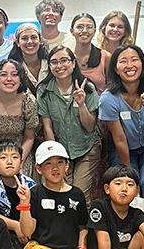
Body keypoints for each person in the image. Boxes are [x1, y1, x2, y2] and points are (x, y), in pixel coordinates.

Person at [20, 141, 98, 249]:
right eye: (48, 163)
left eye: (60, 162)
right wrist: (25, 204)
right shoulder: (34, 193)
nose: (55, 168)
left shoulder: (76, 194)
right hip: (43, 247)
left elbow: (82, 226)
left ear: (67, 166)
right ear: (39, 168)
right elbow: (27, 232)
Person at [99, 45, 144, 230]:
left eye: (134, 59)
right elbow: (119, 139)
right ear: (115, 68)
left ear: (143, 63)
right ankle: (129, 237)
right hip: (122, 147)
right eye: (123, 61)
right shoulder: (108, 98)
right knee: (126, 187)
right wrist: (129, 173)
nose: (130, 65)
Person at [37, 46, 101, 201]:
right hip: (61, 151)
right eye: (54, 62)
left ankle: (83, 226)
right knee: (60, 191)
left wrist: (81, 104)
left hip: (87, 148)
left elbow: (90, 126)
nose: (59, 66)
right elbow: (47, 128)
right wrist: (56, 158)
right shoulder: (44, 90)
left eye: (64, 60)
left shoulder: (88, 88)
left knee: (79, 194)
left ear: (73, 64)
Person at [70, 13, 111, 93]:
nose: (85, 31)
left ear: (94, 31)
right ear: (72, 31)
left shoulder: (106, 56)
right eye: (79, 27)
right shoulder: (67, 57)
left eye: (89, 27)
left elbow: (112, 87)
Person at [8, 23, 49, 94]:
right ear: (18, 42)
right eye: (24, 38)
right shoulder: (12, 68)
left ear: (40, 41)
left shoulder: (51, 64)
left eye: (34, 37)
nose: (30, 41)